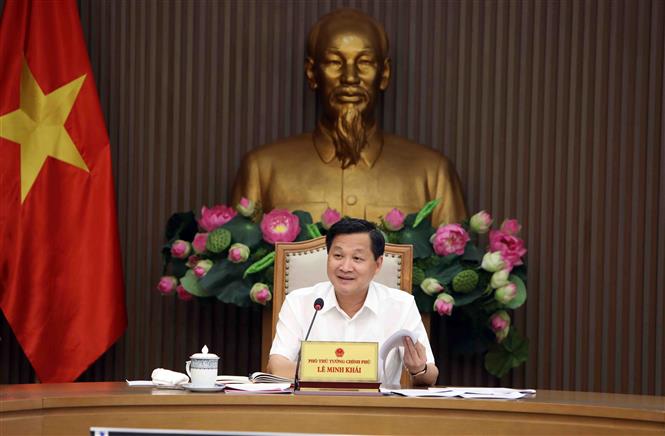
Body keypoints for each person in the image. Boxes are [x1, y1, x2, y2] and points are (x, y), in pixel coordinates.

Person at [232, 8, 466, 226]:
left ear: (384, 73)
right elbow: (237, 253)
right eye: (334, 62)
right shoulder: (262, 170)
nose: (350, 78)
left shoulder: (433, 174)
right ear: (312, 73)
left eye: (365, 62)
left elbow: (455, 253)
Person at [267, 218, 439, 386]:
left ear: (378, 264)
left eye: (357, 258)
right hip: (314, 402)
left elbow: (430, 375)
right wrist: (346, 371)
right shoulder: (300, 302)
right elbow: (276, 366)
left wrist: (419, 369)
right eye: (338, 255)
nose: (345, 267)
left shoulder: (401, 305)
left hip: (379, 404)